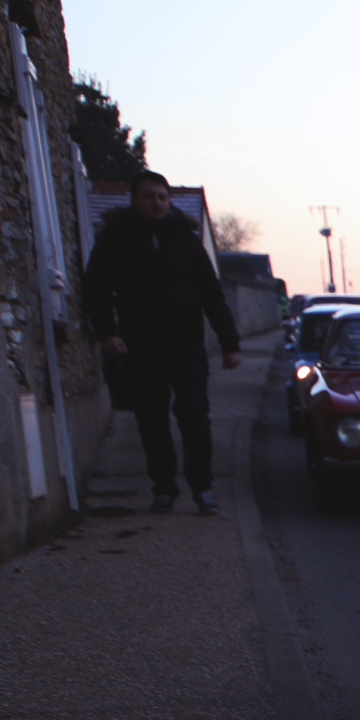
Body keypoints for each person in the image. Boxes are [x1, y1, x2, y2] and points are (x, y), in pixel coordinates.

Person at [83, 170, 242, 515]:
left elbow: (211, 294)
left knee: (195, 416)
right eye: (149, 196)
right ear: (134, 199)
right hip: (141, 345)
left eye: (162, 197)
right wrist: (108, 332)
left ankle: (203, 488)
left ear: (169, 201)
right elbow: (96, 289)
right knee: (152, 420)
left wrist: (230, 344)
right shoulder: (116, 238)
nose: (157, 203)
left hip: (186, 345)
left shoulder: (186, 241)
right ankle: (164, 488)